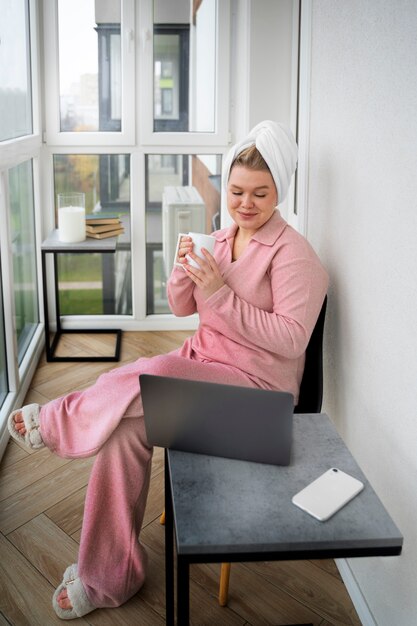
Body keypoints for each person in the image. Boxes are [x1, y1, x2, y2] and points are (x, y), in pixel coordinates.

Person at [8, 120, 328, 619]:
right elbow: (182, 308)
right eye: (237, 191)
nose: (245, 204)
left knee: (149, 373)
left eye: (260, 194)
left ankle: (56, 422)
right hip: (201, 370)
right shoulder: (221, 240)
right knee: (121, 432)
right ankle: (109, 577)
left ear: (279, 191)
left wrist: (220, 291)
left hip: (258, 406)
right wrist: (183, 270)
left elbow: (292, 340)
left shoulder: (296, 256)